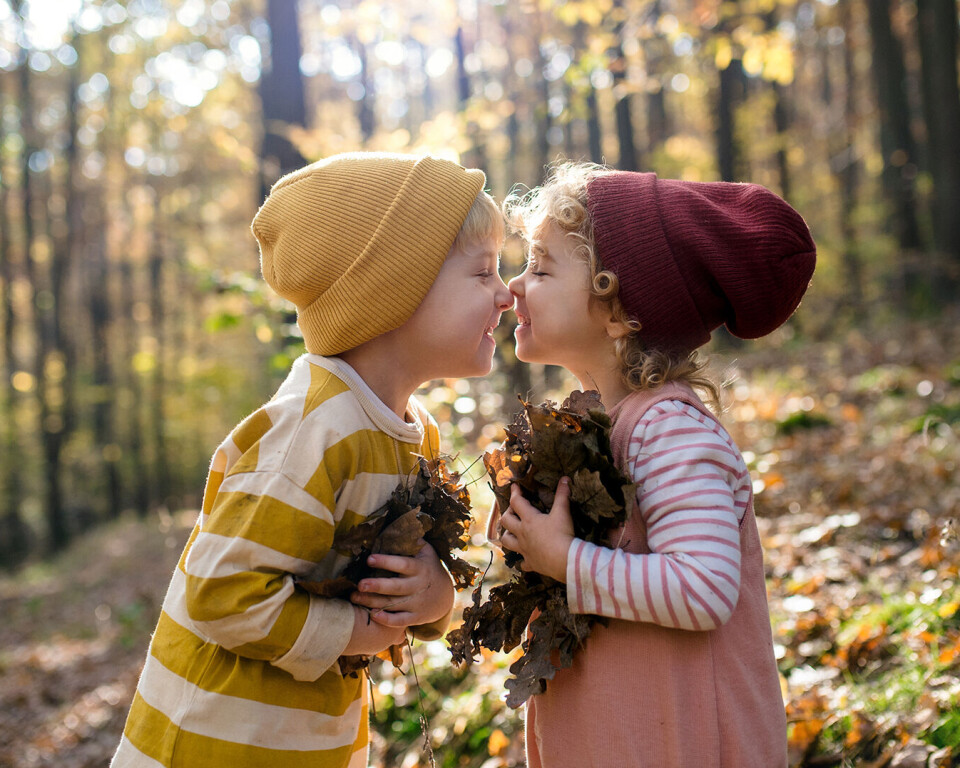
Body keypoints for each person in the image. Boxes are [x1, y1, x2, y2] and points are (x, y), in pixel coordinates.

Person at [112, 152, 513, 768]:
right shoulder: (314, 428)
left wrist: (432, 598)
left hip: (305, 743)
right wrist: (354, 634)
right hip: (211, 741)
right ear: (393, 293)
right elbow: (221, 591)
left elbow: (397, 592)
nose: (506, 294)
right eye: (483, 272)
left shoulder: (415, 435)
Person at [491, 162, 816, 768]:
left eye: (539, 267)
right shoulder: (591, 426)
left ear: (617, 311)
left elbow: (703, 586)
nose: (513, 286)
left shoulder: (668, 431)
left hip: (687, 741)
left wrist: (565, 559)